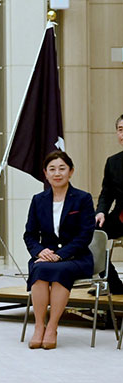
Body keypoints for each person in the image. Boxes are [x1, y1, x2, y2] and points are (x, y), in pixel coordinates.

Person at [24, 150, 95, 350]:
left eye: (62, 169)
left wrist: (59, 255)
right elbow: (29, 235)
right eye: (52, 169)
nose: (57, 173)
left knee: (59, 271)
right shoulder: (38, 200)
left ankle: (52, 327)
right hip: (45, 256)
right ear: (45, 173)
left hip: (76, 257)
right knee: (39, 269)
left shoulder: (83, 198)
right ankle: (39, 326)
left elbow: (84, 236)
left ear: (71, 172)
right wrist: (40, 252)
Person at [93, 114, 123, 295]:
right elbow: (106, 194)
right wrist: (101, 211)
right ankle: (113, 283)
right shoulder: (113, 162)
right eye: (120, 130)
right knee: (89, 233)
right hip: (120, 217)